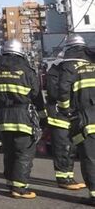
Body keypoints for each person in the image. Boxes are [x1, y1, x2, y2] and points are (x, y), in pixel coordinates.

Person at [0, 39, 45, 199]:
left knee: (9, 152)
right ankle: (19, 188)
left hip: (2, 119)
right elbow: (36, 96)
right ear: (20, 53)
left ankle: (10, 182)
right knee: (24, 153)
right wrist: (43, 118)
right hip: (23, 117)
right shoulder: (26, 71)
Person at [58, 34, 95, 204]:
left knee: (89, 158)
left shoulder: (69, 65)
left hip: (84, 119)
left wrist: (66, 110)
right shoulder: (93, 62)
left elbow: (63, 91)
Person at [46, 42, 86, 190]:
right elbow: (54, 93)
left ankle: (68, 177)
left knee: (70, 148)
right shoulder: (57, 70)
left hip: (71, 114)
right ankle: (64, 179)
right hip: (60, 115)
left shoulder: (59, 69)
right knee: (63, 148)